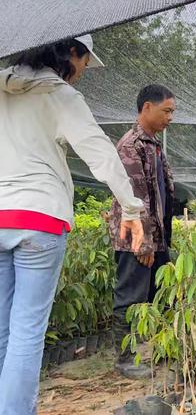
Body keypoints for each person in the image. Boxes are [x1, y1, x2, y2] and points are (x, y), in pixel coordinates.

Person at [0, 34, 144, 415]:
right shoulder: (60, 95)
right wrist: (131, 208)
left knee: (1, 330)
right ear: (71, 54)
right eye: (83, 62)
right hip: (39, 217)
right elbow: (101, 155)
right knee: (27, 333)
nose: (82, 71)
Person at [109, 84, 175, 378]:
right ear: (147, 107)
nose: (170, 117)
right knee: (131, 298)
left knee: (160, 294)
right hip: (135, 238)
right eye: (167, 111)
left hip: (154, 238)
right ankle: (125, 359)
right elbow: (136, 200)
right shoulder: (130, 146)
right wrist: (144, 243)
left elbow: (161, 194)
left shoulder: (153, 144)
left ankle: (156, 350)